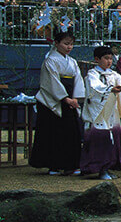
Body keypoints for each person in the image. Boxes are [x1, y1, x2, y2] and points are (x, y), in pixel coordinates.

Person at [28, 31, 85, 175]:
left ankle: (71, 165)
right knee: (53, 134)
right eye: (66, 44)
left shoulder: (72, 62)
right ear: (56, 43)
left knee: (72, 133)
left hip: (70, 97)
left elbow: (78, 80)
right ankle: (53, 165)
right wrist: (65, 98)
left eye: (71, 44)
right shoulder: (50, 60)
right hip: (53, 100)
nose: (69, 47)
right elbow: (51, 82)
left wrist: (75, 99)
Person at [80, 45, 121, 179]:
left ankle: (108, 167)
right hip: (98, 113)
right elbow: (95, 87)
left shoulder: (113, 74)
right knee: (100, 140)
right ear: (97, 59)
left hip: (110, 112)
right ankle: (97, 168)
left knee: (112, 140)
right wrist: (110, 89)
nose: (109, 61)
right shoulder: (92, 74)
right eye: (106, 58)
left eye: (110, 58)